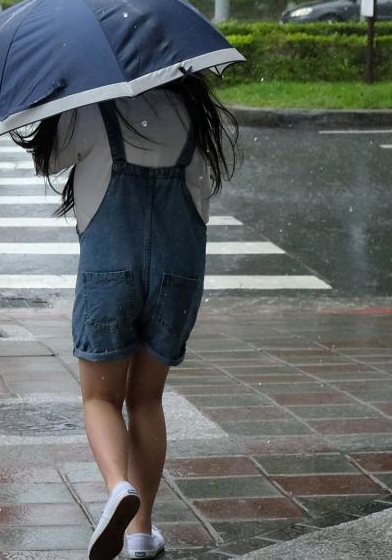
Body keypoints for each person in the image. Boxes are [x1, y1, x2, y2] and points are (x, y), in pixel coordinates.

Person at [13, 77, 239, 560]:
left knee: (100, 397)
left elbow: (49, 161)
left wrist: (58, 94)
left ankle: (117, 487)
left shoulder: (91, 109)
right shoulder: (194, 112)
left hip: (111, 272)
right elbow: (202, 194)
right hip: (176, 274)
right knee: (146, 399)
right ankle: (141, 535)